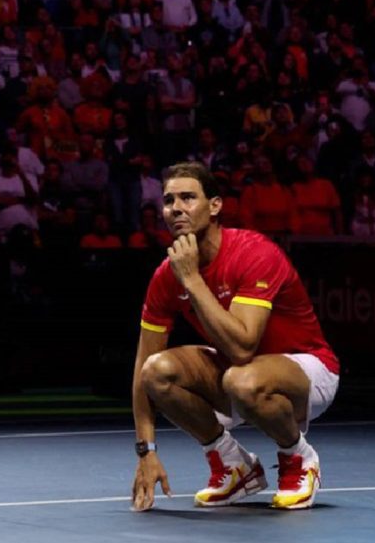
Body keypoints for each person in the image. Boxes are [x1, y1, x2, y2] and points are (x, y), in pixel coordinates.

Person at [131, 162, 340, 512]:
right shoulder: (166, 276)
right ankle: (233, 464)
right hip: (237, 375)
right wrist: (145, 452)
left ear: (215, 206)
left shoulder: (254, 252)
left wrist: (192, 280)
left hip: (307, 371)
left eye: (188, 197)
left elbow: (243, 347)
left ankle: (298, 456)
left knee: (241, 379)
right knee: (156, 372)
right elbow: (142, 370)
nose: (176, 208)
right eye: (168, 200)